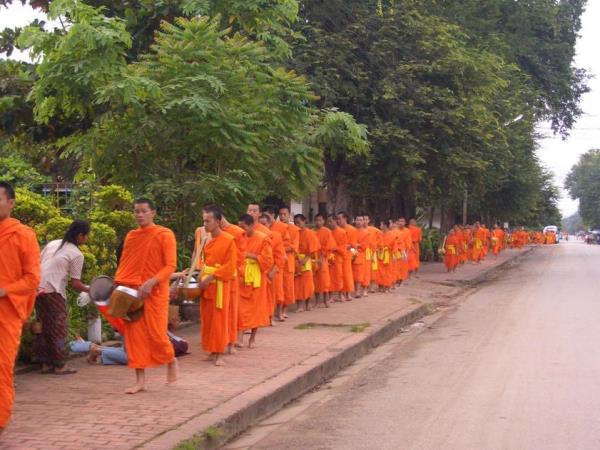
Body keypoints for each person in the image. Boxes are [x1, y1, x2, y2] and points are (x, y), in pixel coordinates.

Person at [114, 198, 178, 394]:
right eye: (136, 211)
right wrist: (120, 286)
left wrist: (152, 281)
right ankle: (140, 381)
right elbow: (125, 264)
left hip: (155, 292)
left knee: (157, 335)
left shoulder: (164, 234)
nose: (139, 215)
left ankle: (170, 359)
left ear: (153, 213)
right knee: (134, 338)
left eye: (143, 211)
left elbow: (170, 266)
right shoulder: (132, 236)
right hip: (133, 293)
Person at [0, 181, 41, 434]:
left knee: (1, 367)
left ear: (11, 203)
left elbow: (32, 279)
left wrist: (5, 290)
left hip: (7, 310)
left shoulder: (22, 234)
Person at [35, 220, 90, 375]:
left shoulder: (54, 243)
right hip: (54, 291)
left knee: (43, 325)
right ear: (80, 235)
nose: (86, 239)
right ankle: (60, 365)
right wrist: (91, 289)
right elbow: (76, 284)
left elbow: (38, 263)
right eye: (86, 236)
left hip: (38, 289)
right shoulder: (76, 254)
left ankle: (45, 363)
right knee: (59, 328)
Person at [197, 206, 237, 366]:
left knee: (219, 320)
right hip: (207, 285)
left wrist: (212, 276)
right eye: (204, 221)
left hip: (219, 285)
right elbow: (204, 263)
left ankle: (220, 353)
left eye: (208, 221)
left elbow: (230, 266)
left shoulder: (228, 240)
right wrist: (201, 276)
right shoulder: (207, 241)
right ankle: (211, 351)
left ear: (218, 221)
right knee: (208, 320)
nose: (205, 224)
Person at [237, 214, 273, 348]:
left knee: (256, 309)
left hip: (257, 277)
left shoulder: (263, 238)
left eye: (243, 227)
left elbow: (268, 260)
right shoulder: (239, 238)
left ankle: (252, 338)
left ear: (252, 225)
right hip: (242, 277)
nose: (241, 230)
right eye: (239, 227)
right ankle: (239, 338)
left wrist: (250, 256)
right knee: (240, 309)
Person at [259, 212, 286, 321]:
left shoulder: (276, 236)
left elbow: (280, 256)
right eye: (260, 224)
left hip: (273, 268)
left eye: (264, 224)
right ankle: (264, 317)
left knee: (277, 293)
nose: (262, 227)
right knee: (262, 295)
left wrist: (274, 270)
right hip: (260, 269)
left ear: (269, 224)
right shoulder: (255, 236)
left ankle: (276, 314)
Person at [294, 214, 320, 312]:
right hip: (296, 260)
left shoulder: (310, 233)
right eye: (295, 222)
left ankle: (308, 303)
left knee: (308, 284)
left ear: (304, 221)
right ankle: (299, 306)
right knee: (297, 284)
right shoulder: (294, 232)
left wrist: (306, 258)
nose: (297, 225)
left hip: (307, 260)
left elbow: (313, 249)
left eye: (299, 222)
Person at [278, 206, 299, 317]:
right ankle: (278, 310)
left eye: (284, 214)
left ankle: (284, 310)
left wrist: (279, 248)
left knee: (287, 286)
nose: (282, 217)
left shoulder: (294, 229)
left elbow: (293, 247)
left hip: (288, 261)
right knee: (278, 286)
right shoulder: (276, 228)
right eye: (280, 214)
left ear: (289, 215)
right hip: (278, 261)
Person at [328, 214, 353, 301]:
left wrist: (336, 248)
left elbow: (344, 246)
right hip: (330, 258)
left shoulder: (342, 232)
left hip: (339, 257)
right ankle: (330, 296)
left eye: (331, 221)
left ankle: (340, 294)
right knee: (330, 277)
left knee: (339, 276)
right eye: (328, 222)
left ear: (335, 221)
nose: (329, 223)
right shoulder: (328, 232)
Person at [313, 213, 336, 308]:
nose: (318, 222)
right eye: (316, 220)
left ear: (323, 221)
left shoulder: (327, 231)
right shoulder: (312, 232)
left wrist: (322, 257)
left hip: (323, 258)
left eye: (320, 220)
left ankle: (326, 301)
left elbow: (330, 246)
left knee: (325, 280)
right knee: (316, 280)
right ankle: (317, 301)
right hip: (314, 257)